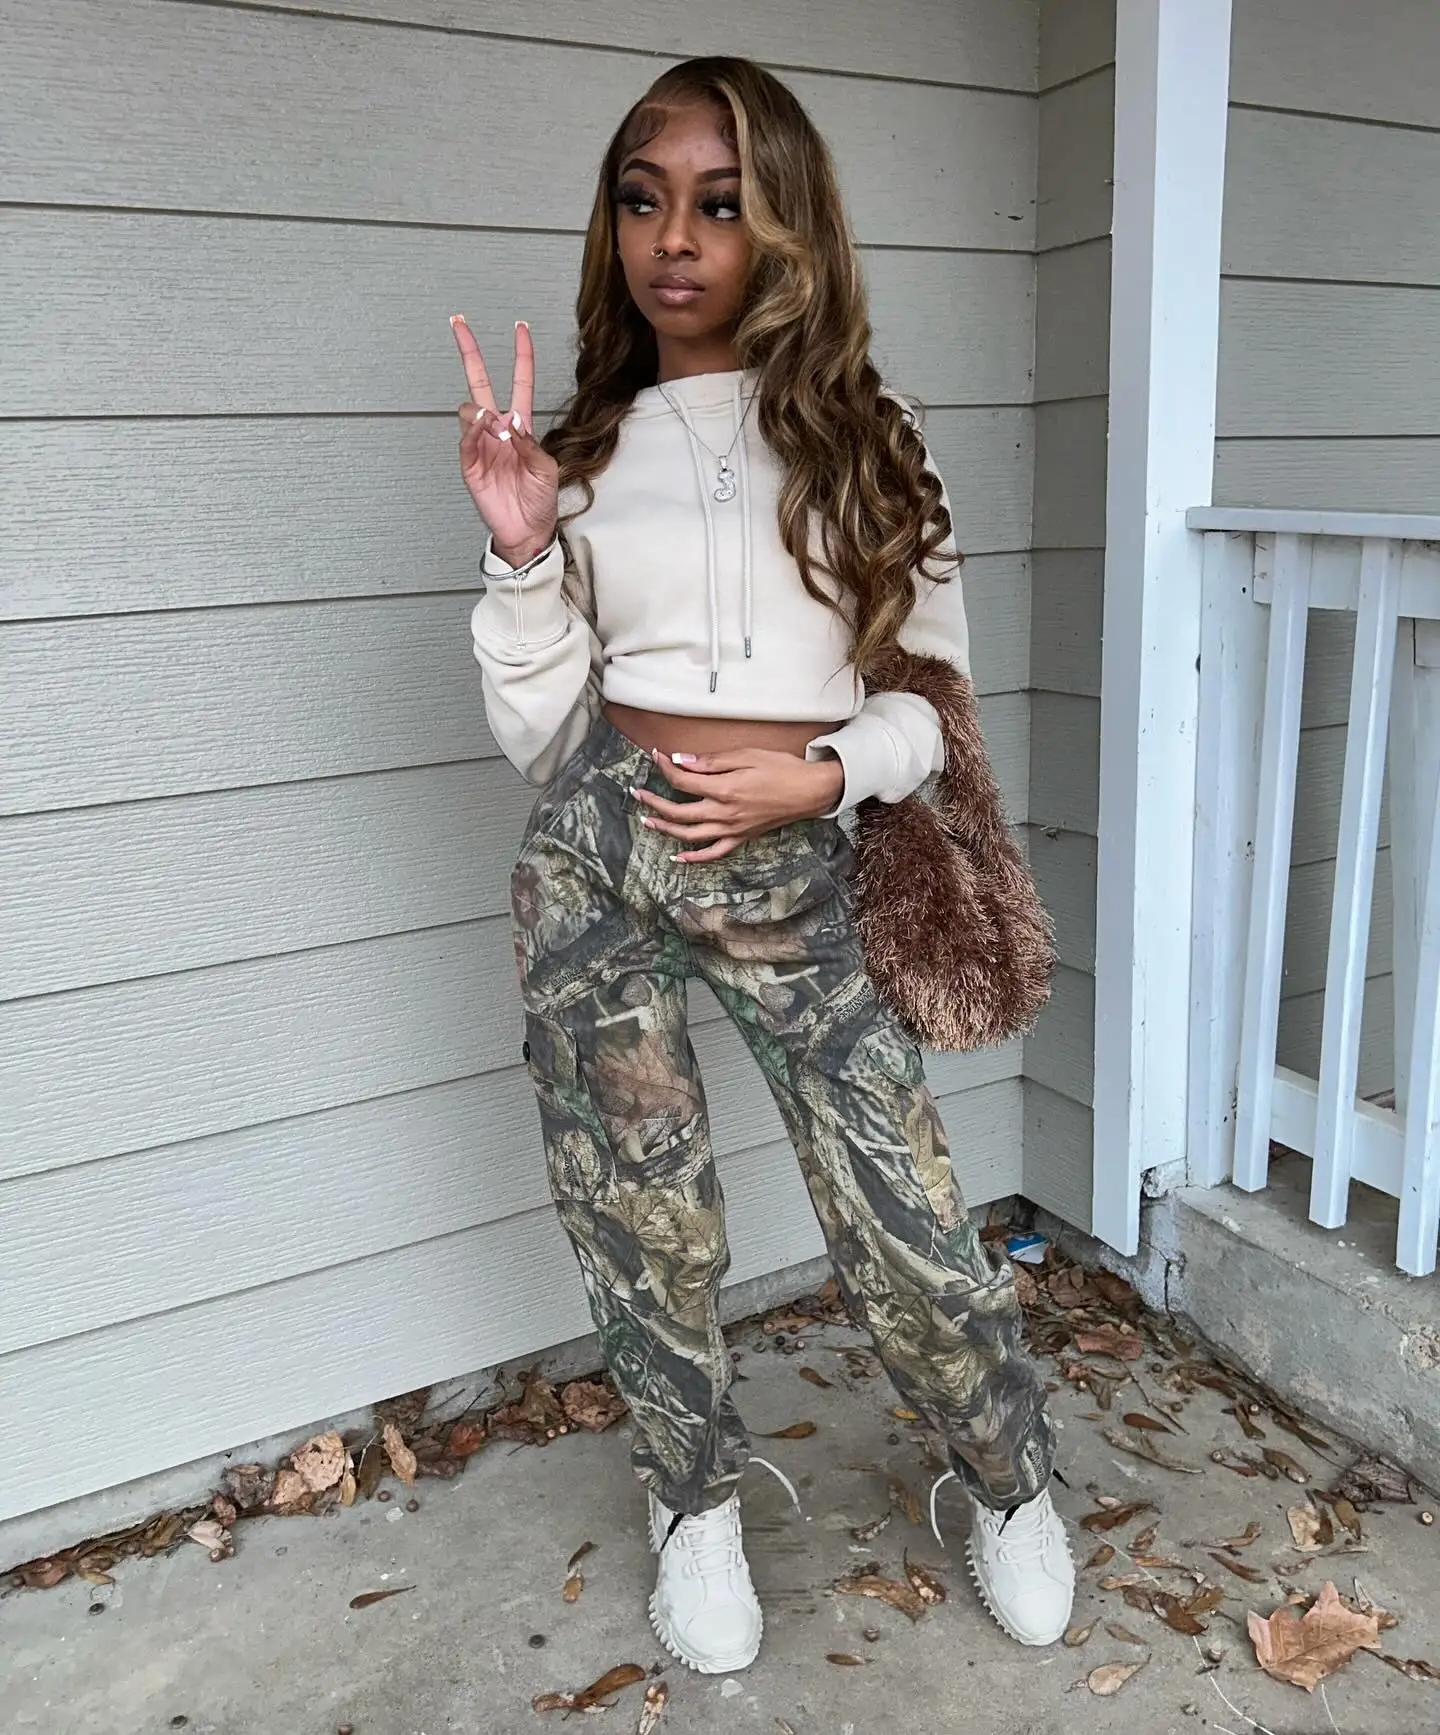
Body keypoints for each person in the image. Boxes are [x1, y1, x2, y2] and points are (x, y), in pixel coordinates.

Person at [453, 55, 1073, 1675]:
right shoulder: (584, 451)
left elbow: (932, 708)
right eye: (644, 200)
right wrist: (520, 549)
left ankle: (1006, 1474)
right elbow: (538, 733)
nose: (676, 238)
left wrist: (822, 774)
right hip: (602, 849)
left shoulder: (873, 442)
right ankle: (692, 1504)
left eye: (720, 205)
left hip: (794, 855)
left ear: (785, 224)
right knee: (638, 1203)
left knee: (901, 1202)